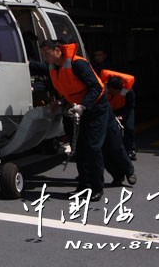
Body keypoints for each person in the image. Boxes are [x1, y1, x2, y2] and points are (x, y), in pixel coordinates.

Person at [30, 39, 135, 201]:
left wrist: (83, 106)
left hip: (96, 109)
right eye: (42, 53)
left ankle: (97, 187)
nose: (45, 57)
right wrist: (62, 102)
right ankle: (84, 187)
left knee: (95, 148)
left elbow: (96, 88)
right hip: (78, 110)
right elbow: (68, 88)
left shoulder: (78, 64)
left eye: (47, 53)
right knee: (79, 148)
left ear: (58, 50)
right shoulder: (55, 68)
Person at [102, 71, 137, 161]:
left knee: (129, 128)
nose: (114, 92)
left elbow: (130, 106)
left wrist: (122, 116)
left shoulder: (128, 91)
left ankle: (131, 150)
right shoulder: (102, 88)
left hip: (125, 109)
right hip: (109, 108)